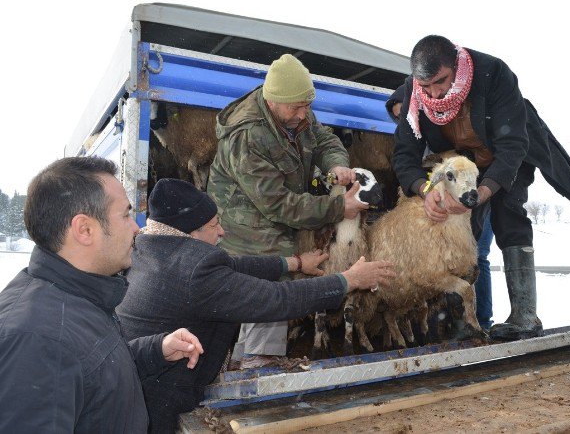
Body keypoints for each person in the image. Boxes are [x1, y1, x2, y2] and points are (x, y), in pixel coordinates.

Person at [117, 178, 394, 433]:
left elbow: (234, 264)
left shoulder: (150, 247)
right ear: (191, 232)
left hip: (132, 383)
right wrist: (347, 280)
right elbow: (277, 299)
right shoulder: (195, 269)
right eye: (215, 225)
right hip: (160, 406)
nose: (223, 231)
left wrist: (295, 262)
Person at [392, 35, 570, 340]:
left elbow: (512, 145)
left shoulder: (493, 73)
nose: (435, 92)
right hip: (466, 161)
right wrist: (424, 189)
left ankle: (525, 315)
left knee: (508, 214)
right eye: (427, 86)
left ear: (456, 65)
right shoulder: (414, 92)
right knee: (459, 231)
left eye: (441, 81)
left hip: (507, 153)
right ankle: (463, 321)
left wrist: (482, 193)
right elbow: (404, 154)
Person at [0, 157, 204, 433]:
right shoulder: (37, 338)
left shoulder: (76, 296)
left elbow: (91, 369)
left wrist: (156, 351)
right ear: (85, 230)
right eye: (125, 215)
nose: (136, 228)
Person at [207, 53, 368, 365]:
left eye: (307, 105)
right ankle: (260, 366)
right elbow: (278, 204)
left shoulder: (295, 111)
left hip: (274, 219)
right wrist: (337, 208)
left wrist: (336, 164)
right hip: (246, 228)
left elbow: (324, 141)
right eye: (297, 106)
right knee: (269, 288)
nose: (304, 113)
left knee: (253, 305)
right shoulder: (248, 137)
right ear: (273, 102)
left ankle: (243, 363)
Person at [387, 90, 494, 331]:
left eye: (404, 111)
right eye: (397, 116)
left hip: (471, 201)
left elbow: (467, 167)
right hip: (443, 212)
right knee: (441, 262)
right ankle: (451, 323)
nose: (403, 118)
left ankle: (482, 319)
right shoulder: (414, 140)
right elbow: (409, 170)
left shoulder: (444, 132)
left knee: (478, 256)